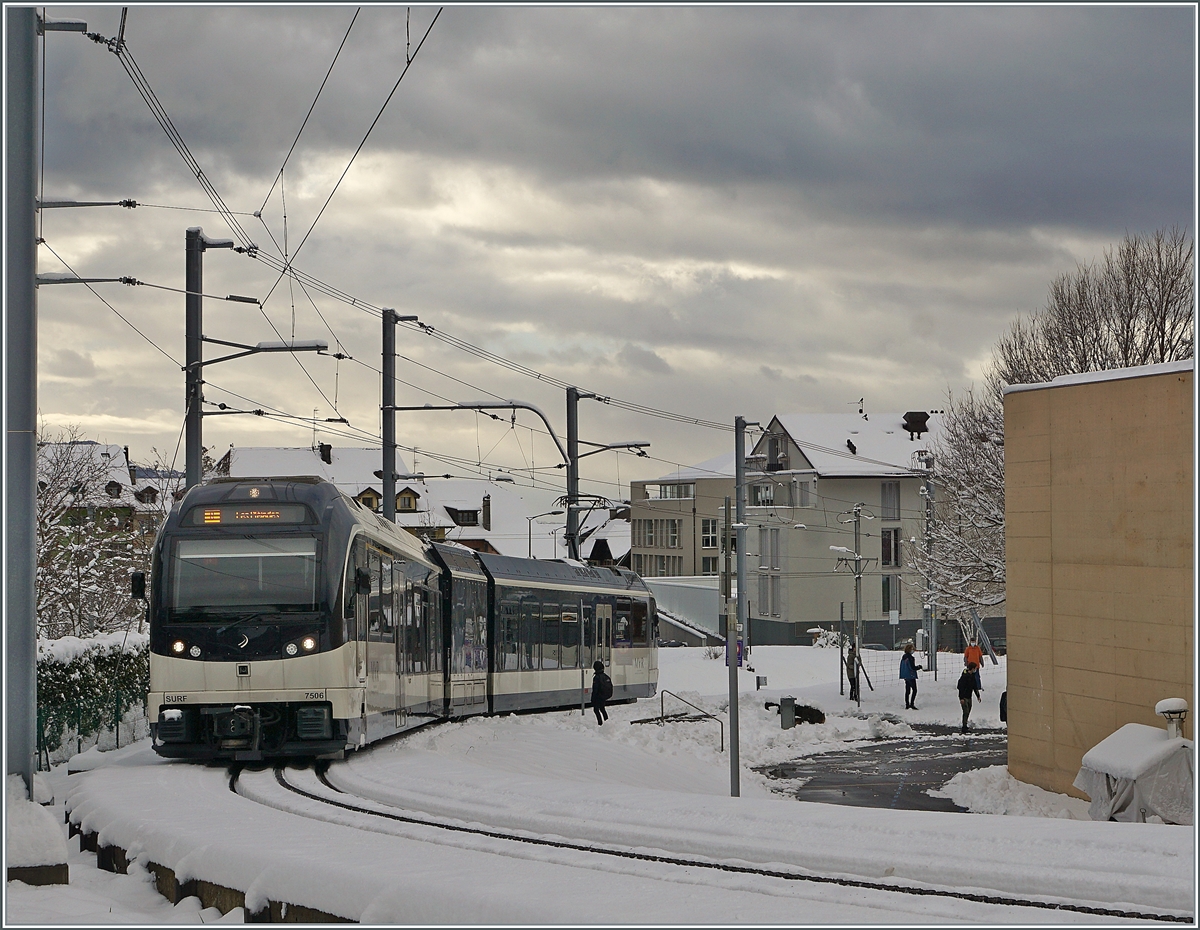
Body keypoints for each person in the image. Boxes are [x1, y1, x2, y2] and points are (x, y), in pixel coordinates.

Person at [958, 662, 982, 733]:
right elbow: (961, 688)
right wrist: (961, 698)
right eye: (975, 668)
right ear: (972, 668)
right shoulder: (964, 677)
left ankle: (965, 725)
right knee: (966, 711)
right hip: (964, 697)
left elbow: (974, 687)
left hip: (969, 696)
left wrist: (978, 696)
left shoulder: (972, 676)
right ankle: (964, 727)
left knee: (968, 711)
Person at [899, 643, 922, 710]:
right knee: (914, 690)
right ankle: (912, 704)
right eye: (912, 649)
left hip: (906, 675)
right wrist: (919, 667)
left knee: (907, 690)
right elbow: (912, 667)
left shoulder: (904, 657)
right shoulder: (910, 658)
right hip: (911, 675)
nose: (913, 650)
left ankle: (907, 704)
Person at [591, 660, 612, 725]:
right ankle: (606, 721)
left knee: (596, 710)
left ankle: (600, 723)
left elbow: (595, 690)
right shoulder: (605, 676)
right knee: (602, 708)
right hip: (603, 696)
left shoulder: (596, 678)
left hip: (598, 696)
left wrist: (593, 699)